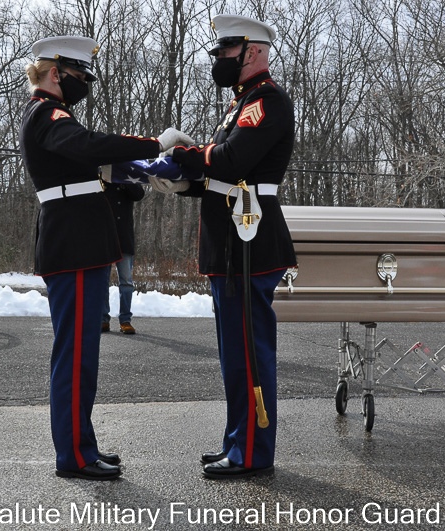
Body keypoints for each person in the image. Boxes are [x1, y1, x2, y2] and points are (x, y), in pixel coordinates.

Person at [19, 35, 191, 481]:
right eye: (78, 74)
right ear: (55, 72)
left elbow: (89, 163)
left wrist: (143, 172)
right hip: (74, 246)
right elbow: (88, 145)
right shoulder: (47, 114)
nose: (84, 82)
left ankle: (83, 446)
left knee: (83, 356)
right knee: (75, 356)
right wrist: (154, 143)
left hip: (82, 245)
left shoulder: (54, 117)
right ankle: (75, 456)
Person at [152, 14, 297, 479]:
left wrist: (181, 155)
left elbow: (232, 160)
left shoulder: (266, 100)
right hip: (232, 245)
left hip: (249, 246)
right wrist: (182, 181)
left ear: (252, 51)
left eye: (226, 51)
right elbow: (223, 176)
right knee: (235, 355)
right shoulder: (241, 104)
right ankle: (238, 440)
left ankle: (252, 452)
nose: (219, 59)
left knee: (248, 355)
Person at [101, 181, 144, 334]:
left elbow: (139, 194)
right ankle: (103, 319)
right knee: (102, 281)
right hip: (105, 236)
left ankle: (125, 320)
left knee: (126, 281)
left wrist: (123, 179)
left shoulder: (127, 175)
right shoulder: (101, 176)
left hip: (124, 237)